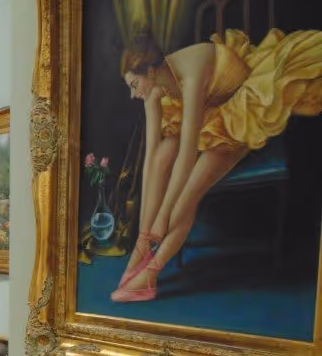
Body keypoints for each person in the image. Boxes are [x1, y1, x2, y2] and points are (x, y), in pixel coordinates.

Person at [112, 28, 322, 302]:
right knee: (163, 152)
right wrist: (145, 230)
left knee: (189, 192)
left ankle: (151, 275)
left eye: (133, 86)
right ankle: (140, 252)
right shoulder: (153, 91)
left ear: (151, 73)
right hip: (205, 110)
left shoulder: (191, 77)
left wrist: (164, 214)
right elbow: (150, 158)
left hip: (238, 108)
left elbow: (188, 154)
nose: (132, 95)